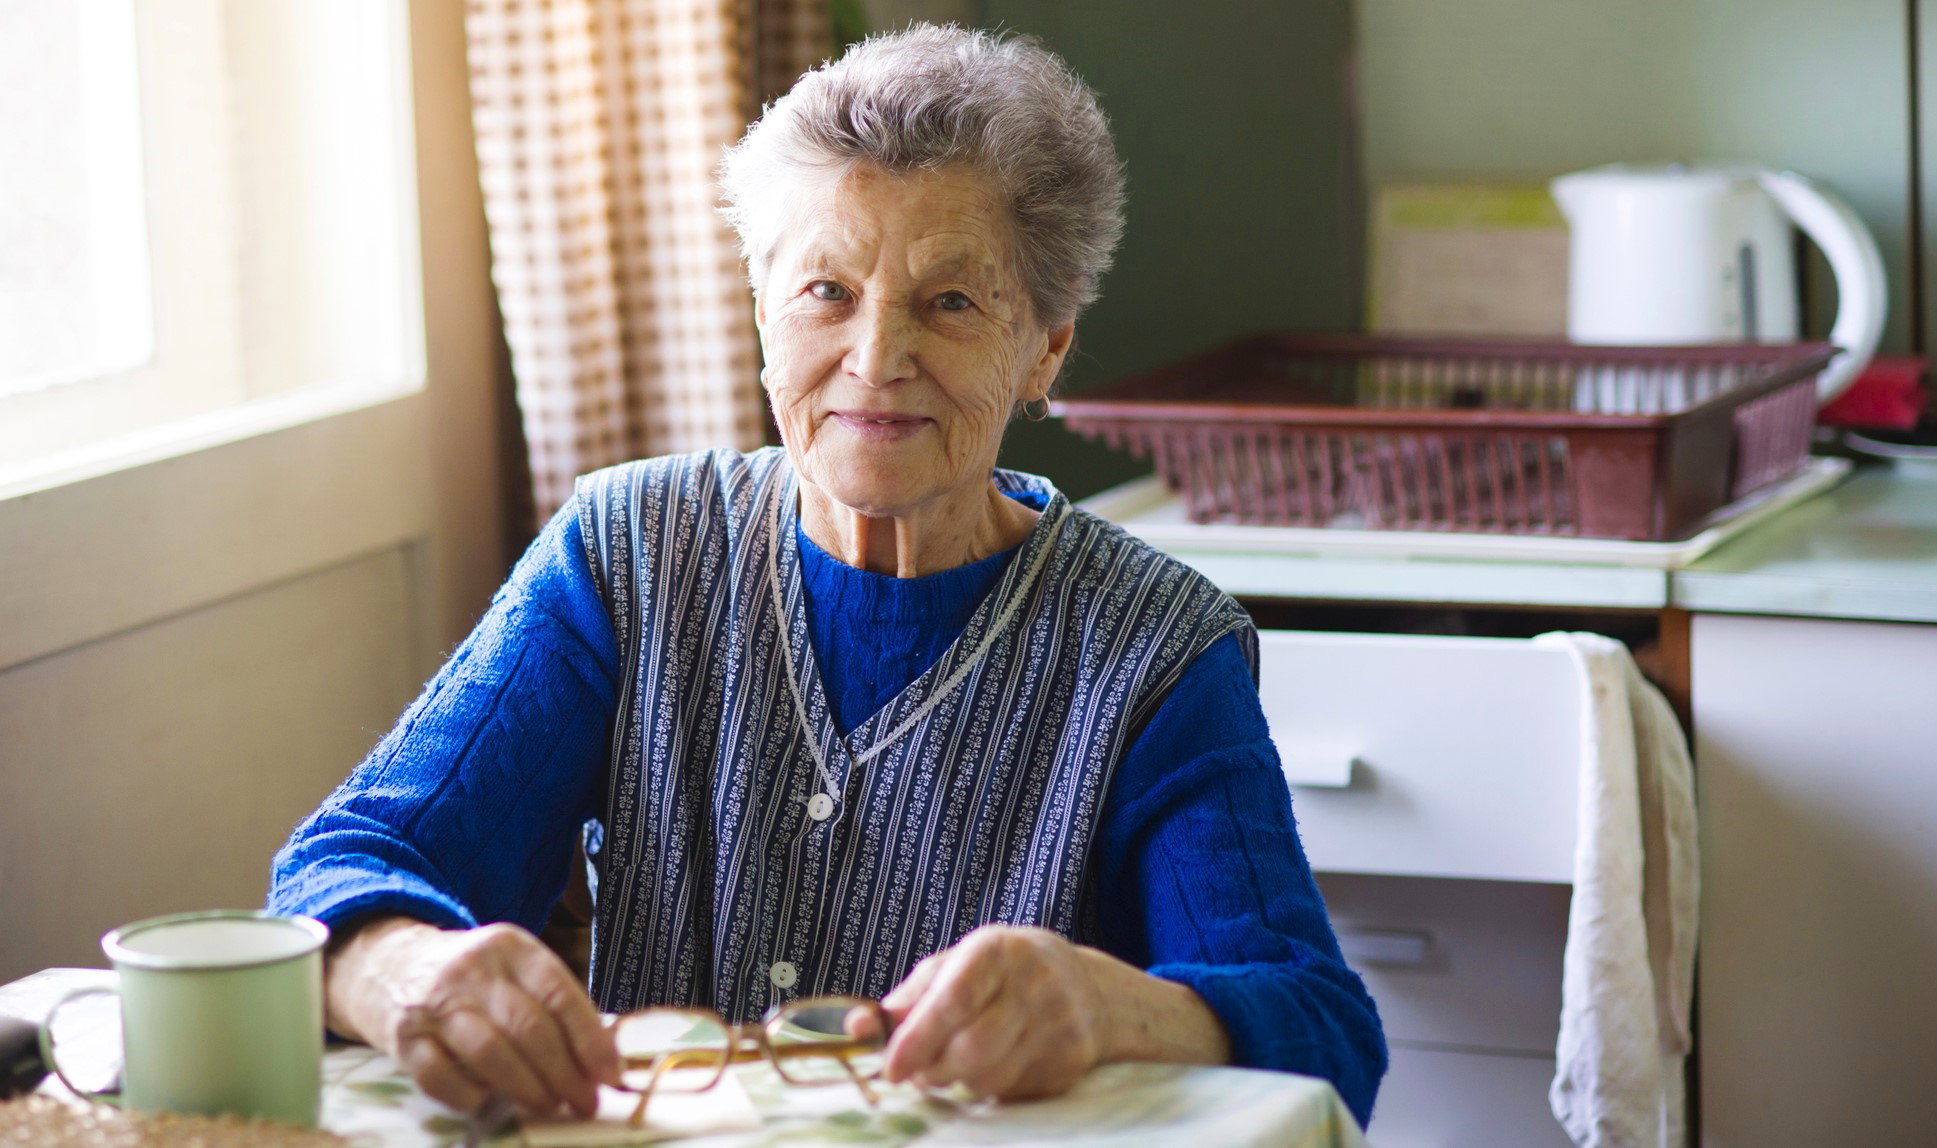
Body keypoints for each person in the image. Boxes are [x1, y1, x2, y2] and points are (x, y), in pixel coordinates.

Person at [270, 22, 1386, 1128]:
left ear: (1045, 344)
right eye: (825, 292)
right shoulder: (627, 552)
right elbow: (340, 864)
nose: (875, 357)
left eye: (949, 300)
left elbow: (1322, 1031)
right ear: (761, 311)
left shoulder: (1152, 647)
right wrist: (403, 970)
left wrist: (1106, 1003)